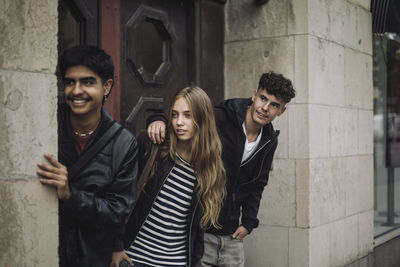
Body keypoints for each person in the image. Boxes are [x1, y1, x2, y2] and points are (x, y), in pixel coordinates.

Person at [147, 72, 295, 266]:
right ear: (254, 95)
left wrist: (249, 222)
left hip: (232, 235)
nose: (265, 108)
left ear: (281, 111)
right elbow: (184, 118)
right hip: (201, 231)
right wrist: (157, 119)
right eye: (263, 98)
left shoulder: (269, 140)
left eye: (274, 105)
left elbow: (258, 183)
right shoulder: (221, 116)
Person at [36, 45, 138, 267]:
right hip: (42, 246)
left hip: (92, 257)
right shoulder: (45, 120)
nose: (76, 90)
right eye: (70, 82)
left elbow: (116, 212)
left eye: (87, 82)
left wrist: (70, 195)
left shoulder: (123, 143)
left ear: (107, 86)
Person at [111, 86, 226, 267]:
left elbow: (197, 230)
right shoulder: (154, 149)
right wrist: (116, 246)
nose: (179, 122)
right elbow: (120, 195)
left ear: (203, 119)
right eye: (174, 115)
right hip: (134, 259)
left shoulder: (209, 169)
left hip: (176, 263)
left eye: (188, 115)